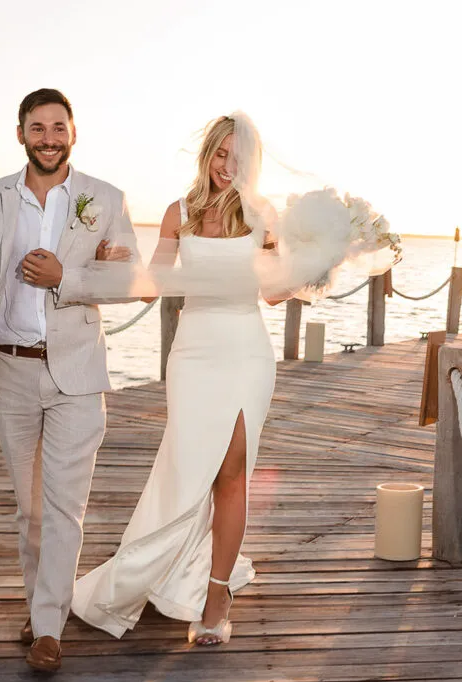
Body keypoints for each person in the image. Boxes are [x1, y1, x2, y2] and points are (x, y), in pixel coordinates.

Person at [0, 88, 139, 673]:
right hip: (10, 368)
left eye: (58, 127)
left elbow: (127, 280)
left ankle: (48, 627)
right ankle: (41, 606)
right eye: (37, 128)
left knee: (65, 506)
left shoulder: (105, 199)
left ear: (73, 132)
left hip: (76, 372)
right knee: (30, 509)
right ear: (21, 134)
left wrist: (67, 275)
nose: (48, 138)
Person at [71, 114, 285, 646]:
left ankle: (215, 597)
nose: (225, 167)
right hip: (192, 354)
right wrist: (114, 262)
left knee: (232, 473)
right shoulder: (179, 213)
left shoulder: (263, 218)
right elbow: (152, 286)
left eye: (237, 158)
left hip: (246, 351)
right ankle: (160, 567)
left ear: (249, 164)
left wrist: (309, 257)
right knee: (190, 468)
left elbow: (276, 295)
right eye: (219, 154)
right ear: (206, 155)